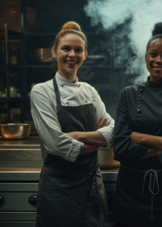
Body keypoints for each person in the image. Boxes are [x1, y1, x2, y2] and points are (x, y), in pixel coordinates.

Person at [30, 21, 115, 227]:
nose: (72, 55)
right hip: (58, 187)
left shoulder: (89, 91)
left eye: (78, 50)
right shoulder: (42, 91)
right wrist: (98, 138)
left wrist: (77, 136)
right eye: (66, 49)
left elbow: (114, 131)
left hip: (91, 184)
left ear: (85, 54)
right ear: (54, 51)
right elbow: (56, 144)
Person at [112, 22, 162, 227]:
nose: (159, 60)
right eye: (153, 54)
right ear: (146, 57)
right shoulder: (128, 94)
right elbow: (120, 148)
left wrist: (139, 138)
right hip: (130, 188)